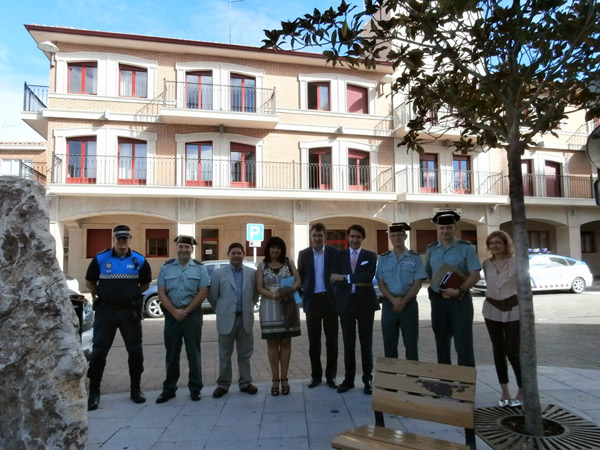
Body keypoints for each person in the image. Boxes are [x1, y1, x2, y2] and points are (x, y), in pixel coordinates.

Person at [85, 225, 152, 411]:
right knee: (99, 352)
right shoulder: (100, 258)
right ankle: (94, 393)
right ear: (113, 239)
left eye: (125, 238)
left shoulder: (139, 260)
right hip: (106, 311)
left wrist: (130, 294)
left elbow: (145, 284)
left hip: (129, 312)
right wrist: (105, 295)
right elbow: (90, 282)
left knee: (135, 351)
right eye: (118, 238)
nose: (122, 241)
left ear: (130, 238)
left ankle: (136, 390)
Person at [155, 235, 210, 403]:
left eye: (187, 247)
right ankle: (169, 389)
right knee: (171, 352)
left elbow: (203, 292)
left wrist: (185, 311)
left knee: (193, 352)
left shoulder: (200, 268)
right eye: (181, 246)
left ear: (192, 249)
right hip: (172, 316)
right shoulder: (166, 267)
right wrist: (174, 311)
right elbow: (161, 292)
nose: (184, 250)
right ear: (176, 248)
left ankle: (195, 388)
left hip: (192, 315)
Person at [425, 211, 481, 368]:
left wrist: (460, 290)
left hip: (460, 302)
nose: (445, 231)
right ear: (437, 228)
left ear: (455, 227)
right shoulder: (432, 249)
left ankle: (465, 385)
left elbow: (475, 275)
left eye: (449, 227)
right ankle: (445, 381)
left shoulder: (466, 248)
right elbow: (429, 273)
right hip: (439, 302)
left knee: (463, 344)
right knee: (441, 343)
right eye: (442, 227)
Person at [330, 224, 379, 395]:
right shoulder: (339, 256)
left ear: (362, 238)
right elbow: (333, 277)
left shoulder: (370, 256)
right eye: (352, 236)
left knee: (366, 344)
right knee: (348, 344)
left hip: (365, 304)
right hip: (346, 305)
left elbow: (368, 277)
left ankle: (368, 380)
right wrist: (351, 279)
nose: (354, 240)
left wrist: (345, 277)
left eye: (358, 237)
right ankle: (349, 379)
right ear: (347, 237)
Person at [208, 243, 260, 398]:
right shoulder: (218, 273)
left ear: (244, 254)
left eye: (239, 253)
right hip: (226, 319)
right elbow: (213, 297)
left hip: (245, 318)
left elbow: (255, 295)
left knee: (245, 353)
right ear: (228, 254)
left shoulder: (252, 273)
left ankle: (245, 382)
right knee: (224, 354)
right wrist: (222, 311)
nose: (236, 255)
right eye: (233, 253)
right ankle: (223, 384)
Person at [256, 236, 301, 396]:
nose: (275, 250)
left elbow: (298, 280)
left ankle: (284, 378)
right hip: (269, 307)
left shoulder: (288, 262)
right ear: (268, 249)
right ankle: (274, 379)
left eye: (279, 247)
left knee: (286, 341)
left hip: (288, 306)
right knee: (272, 343)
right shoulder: (261, 265)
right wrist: (274, 296)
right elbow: (260, 288)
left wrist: (289, 291)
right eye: (273, 247)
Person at [482, 230, 522, 407]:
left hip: (513, 309)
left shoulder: (516, 262)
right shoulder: (486, 264)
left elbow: (524, 285)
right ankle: (505, 391)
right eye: (491, 243)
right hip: (492, 310)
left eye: (498, 242)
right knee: (498, 351)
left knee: (513, 351)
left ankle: (522, 390)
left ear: (506, 244)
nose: (494, 246)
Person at [297, 223, 340, 389]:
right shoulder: (304, 254)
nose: (317, 238)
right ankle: (316, 376)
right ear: (311, 237)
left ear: (325, 236)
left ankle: (331, 376)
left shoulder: (334, 253)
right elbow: (299, 277)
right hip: (312, 302)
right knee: (313, 343)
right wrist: (302, 296)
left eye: (320, 235)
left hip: (330, 302)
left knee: (332, 342)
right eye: (314, 235)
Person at [376, 222, 427, 360]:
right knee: (389, 344)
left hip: (409, 305)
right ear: (390, 238)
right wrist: (394, 301)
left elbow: (418, 283)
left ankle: (412, 380)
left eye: (399, 235)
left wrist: (403, 301)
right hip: (389, 305)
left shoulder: (414, 257)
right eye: (393, 235)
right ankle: (392, 380)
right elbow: (381, 283)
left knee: (411, 344)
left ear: (405, 236)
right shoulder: (384, 259)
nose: (396, 238)